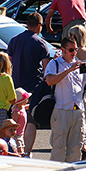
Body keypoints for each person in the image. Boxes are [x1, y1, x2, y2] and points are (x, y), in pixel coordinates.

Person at [45, 36, 86, 162]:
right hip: (62, 110)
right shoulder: (55, 63)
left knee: (75, 148)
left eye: (75, 50)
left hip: (78, 111)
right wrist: (69, 70)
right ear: (63, 50)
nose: (74, 53)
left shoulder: (79, 64)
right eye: (71, 50)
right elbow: (49, 81)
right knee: (59, 148)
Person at [7, 13, 52, 156]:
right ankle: (26, 151)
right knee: (30, 121)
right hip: (33, 87)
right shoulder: (40, 43)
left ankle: (14, 148)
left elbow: (10, 62)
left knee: (15, 119)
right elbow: (46, 69)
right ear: (39, 26)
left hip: (16, 86)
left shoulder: (14, 40)